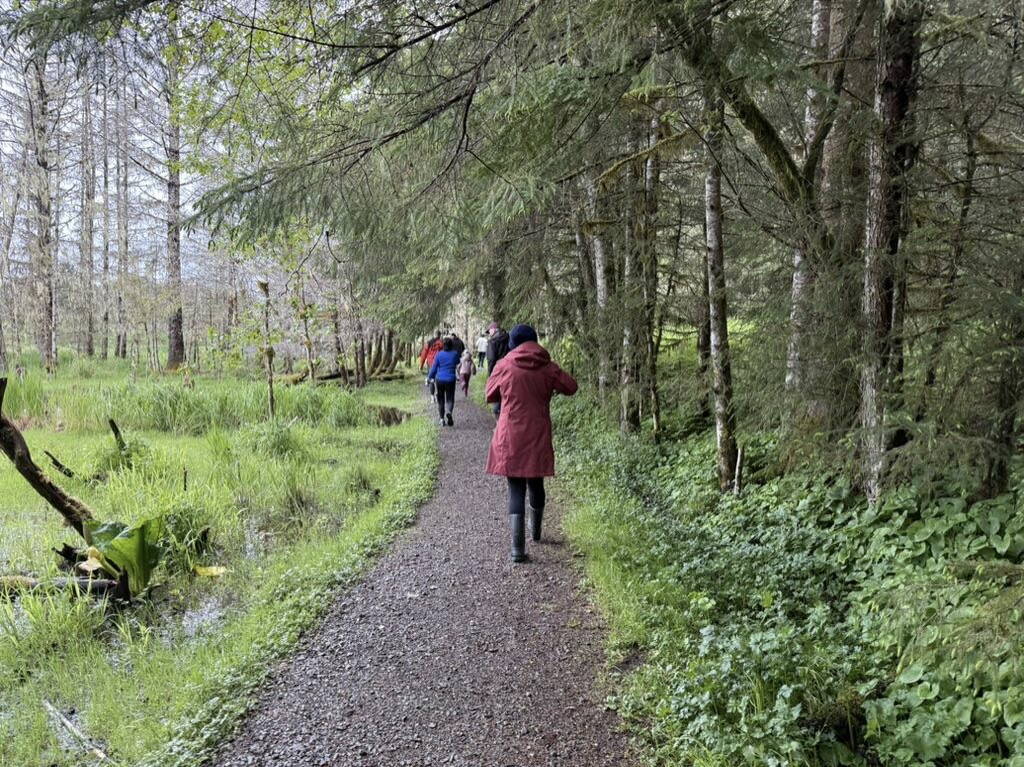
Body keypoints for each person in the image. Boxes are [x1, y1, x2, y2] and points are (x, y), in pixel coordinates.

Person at [485, 324, 578, 562]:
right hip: (537, 433)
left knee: (515, 486)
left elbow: (489, 395)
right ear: (535, 342)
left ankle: (517, 550)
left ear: (513, 344)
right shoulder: (547, 367)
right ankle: (536, 533)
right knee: (536, 483)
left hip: (510, 435)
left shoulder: (504, 365)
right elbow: (571, 387)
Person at [427, 338, 461, 426]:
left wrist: (429, 377)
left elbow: (434, 368)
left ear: (443, 345)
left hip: (440, 380)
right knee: (450, 398)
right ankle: (449, 412)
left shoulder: (439, 354)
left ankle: (441, 420)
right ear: (451, 345)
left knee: (441, 400)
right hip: (450, 379)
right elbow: (457, 362)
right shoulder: (455, 354)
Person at [485, 323, 510, 419]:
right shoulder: (509, 338)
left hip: (498, 371)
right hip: (511, 370)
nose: (489, 334)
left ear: (494, 329)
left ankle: (499, 426)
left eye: (489, 331)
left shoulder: (492, 341)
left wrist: (490, 375)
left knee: (496, 400)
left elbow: (491, 359)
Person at [418, 332, 443, 400]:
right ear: (439, 336)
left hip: (430, 363)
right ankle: (438, 394)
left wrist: (421, 365)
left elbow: (424, 354)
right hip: (439, 363)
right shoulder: (442, 343)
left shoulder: (428, 343)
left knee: (432, 379)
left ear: (434, 335)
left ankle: (432, 397)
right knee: (438, 379)